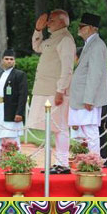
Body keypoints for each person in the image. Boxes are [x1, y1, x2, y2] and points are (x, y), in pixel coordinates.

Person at [26, 10, 76, 174]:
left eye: (51, 21)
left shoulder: (66, 39)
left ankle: (62, 163)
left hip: (55, 91)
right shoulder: (54, 38)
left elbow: (68, 68)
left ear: (63, 22)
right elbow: (37, 46)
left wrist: (61, 90)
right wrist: (37, 29)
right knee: (50, 127)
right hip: (45, 90)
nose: (49, 23)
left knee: (60, 126)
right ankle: (53, 162)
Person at [68, 13, 107, 156]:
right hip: (82, 96)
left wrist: (89, 98)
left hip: (87, 97)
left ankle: (94, 162)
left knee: (90, 131)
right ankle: (88, 160)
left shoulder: (97, 45)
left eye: (82, 26)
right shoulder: (90, 44)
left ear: (91, 28)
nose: (79, 29)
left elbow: (95, 74)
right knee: (84, 132)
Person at [0, 49, 28, 147]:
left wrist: (19, 113)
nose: (9, 61)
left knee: (12, 138)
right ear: (2, 60)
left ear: (14, 61)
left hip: (11, 111)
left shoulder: (19, 75)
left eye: (11, 59)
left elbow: (22, 95)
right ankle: (5, 161)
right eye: (6, 59)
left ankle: (17, 160)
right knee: (2, 138)